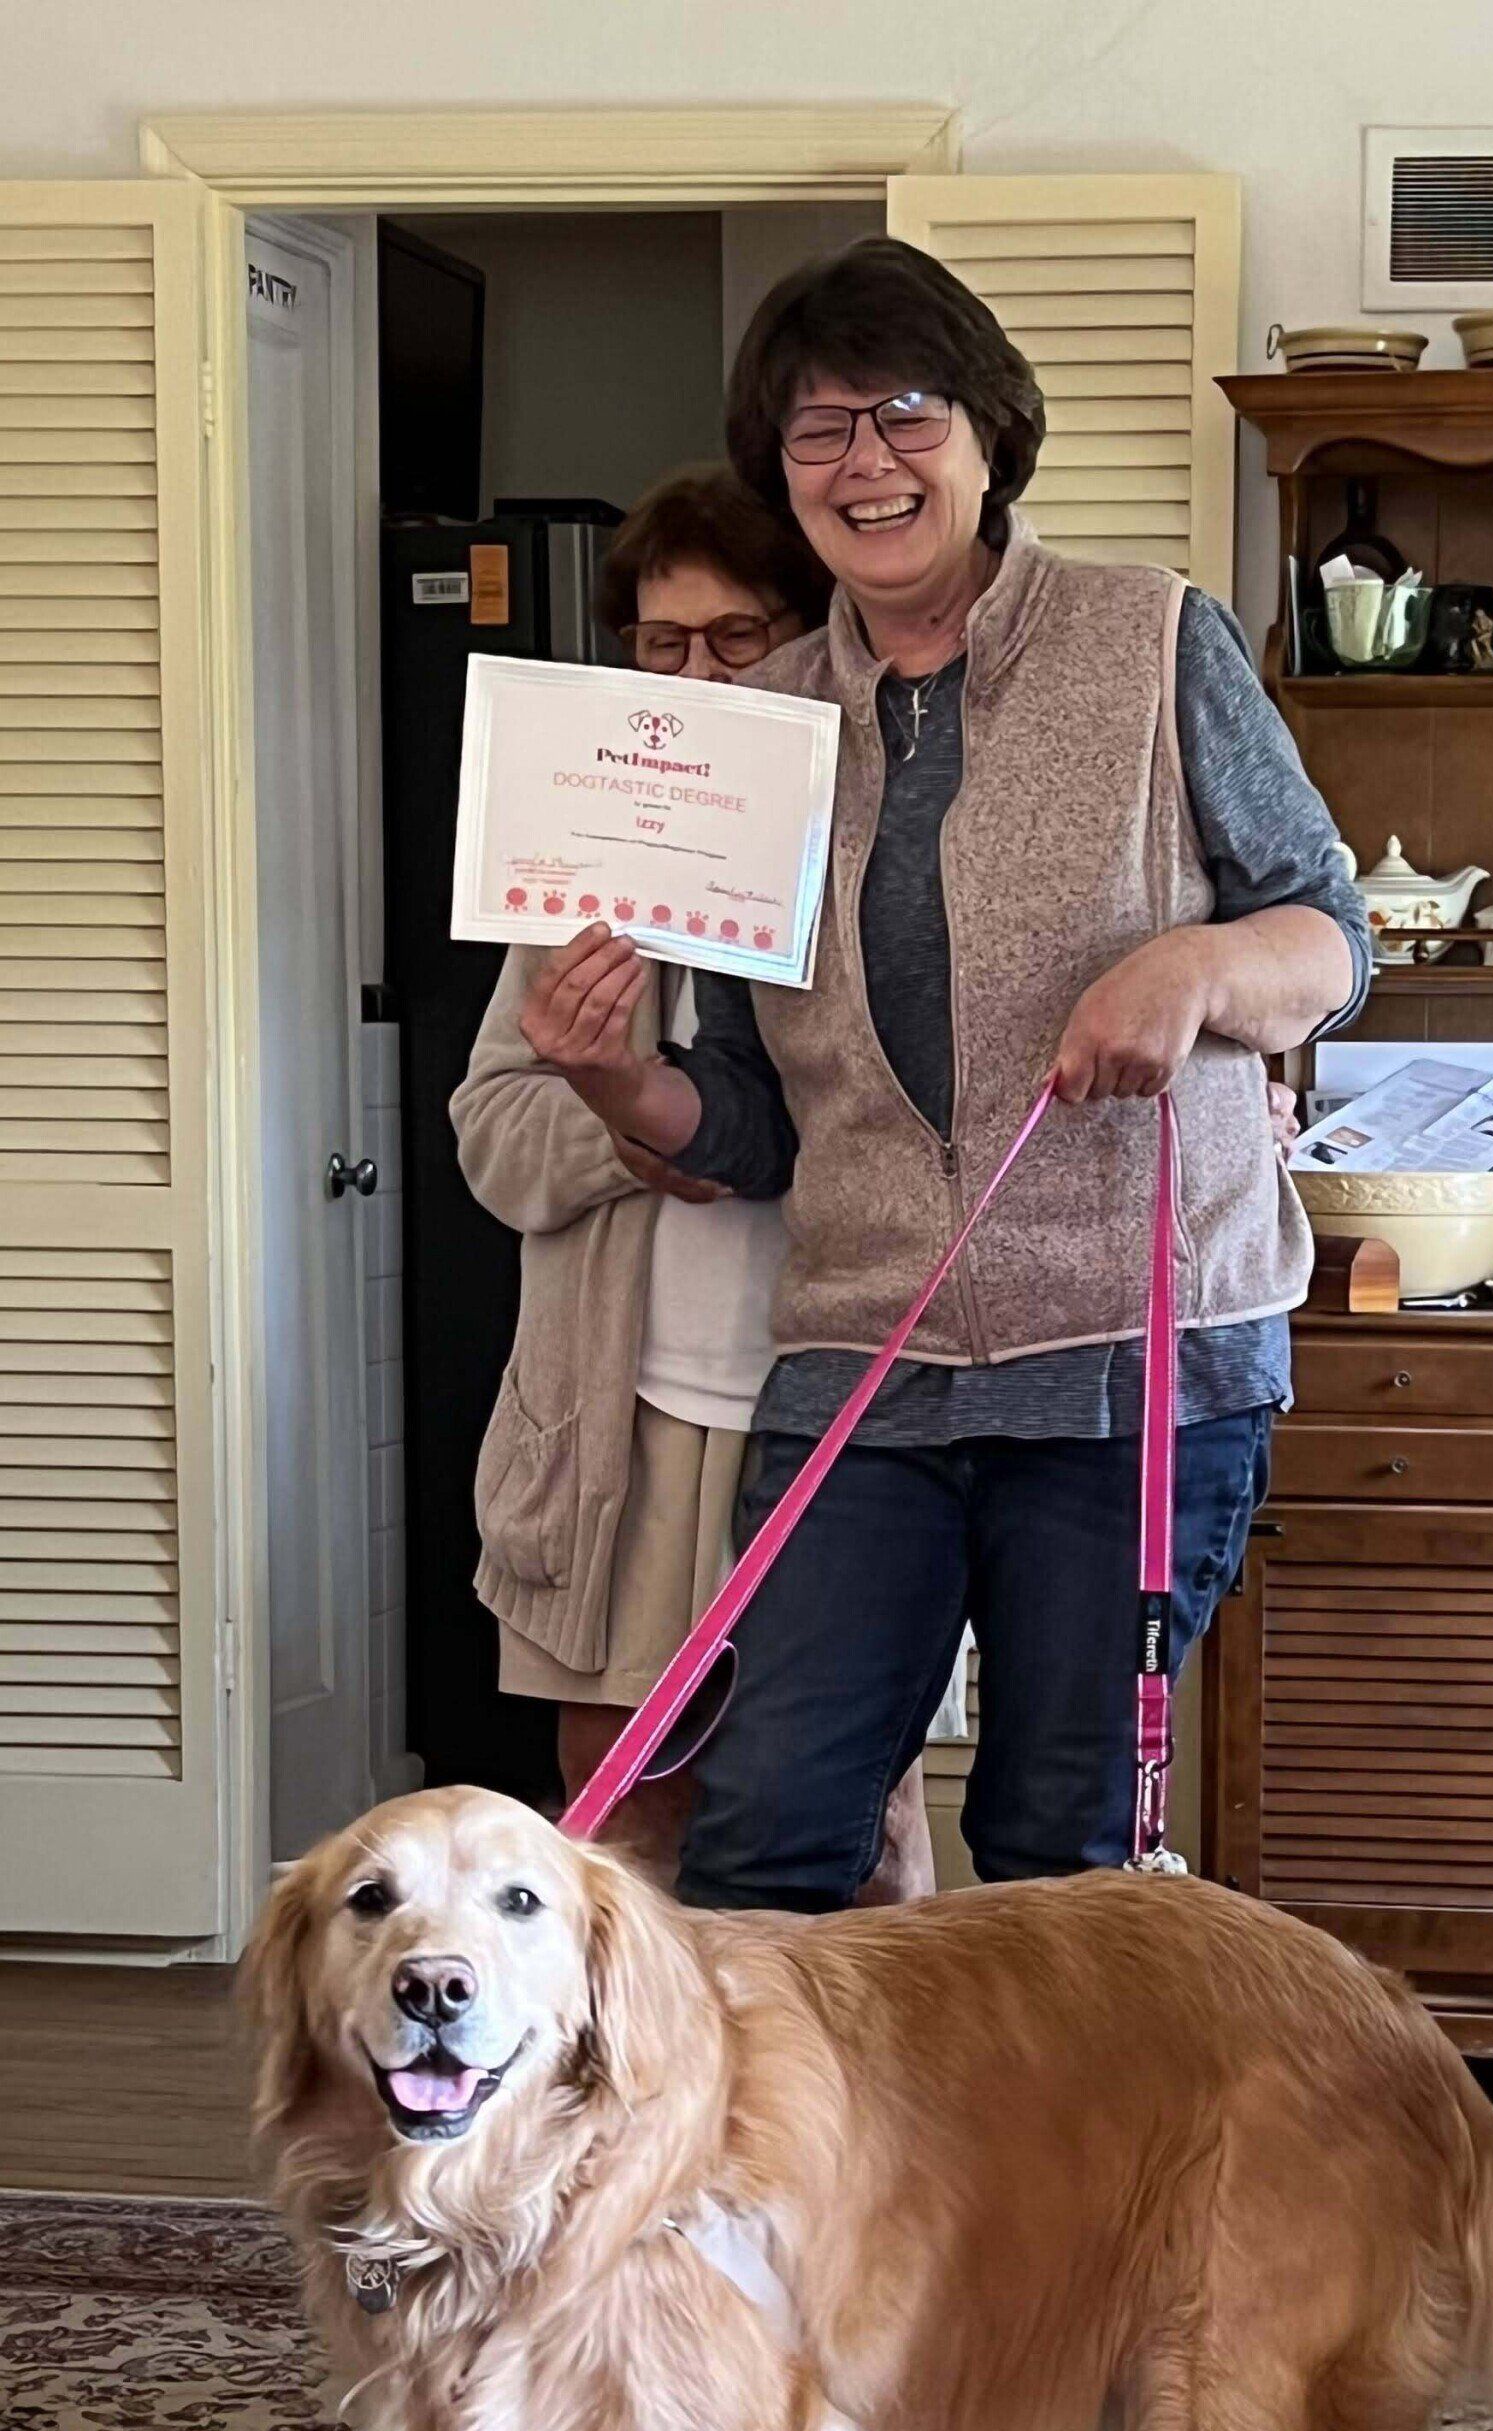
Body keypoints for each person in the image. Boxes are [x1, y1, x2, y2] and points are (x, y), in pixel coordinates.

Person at [506, 240, 1372, 1913]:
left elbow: (1331, 938)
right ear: (782, 471)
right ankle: (803, 2186)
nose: (864, 463)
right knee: (769, 1838)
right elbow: (751, 1128)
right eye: (818, 431)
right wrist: (613, 1078)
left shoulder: (1153, 642)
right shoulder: (754, 728)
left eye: (903, 412)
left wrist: (1195, 968)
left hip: (1132, 1357)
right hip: (863, 1361)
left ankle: (1067, 2184)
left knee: (1064, 1859)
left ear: (986, 433)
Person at [450, 466, 940, 1895]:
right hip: (626, 1421)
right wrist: (629, 1128)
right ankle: (630, 2122)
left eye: (737, 637)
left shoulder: (883, 848)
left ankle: (861, 2121)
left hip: (842, 1414)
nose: (701, 672)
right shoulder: (579, 865)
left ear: (807, 637)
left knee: (863, 1828)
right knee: (614, 1836)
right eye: (664, 644)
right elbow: (491, 1125)